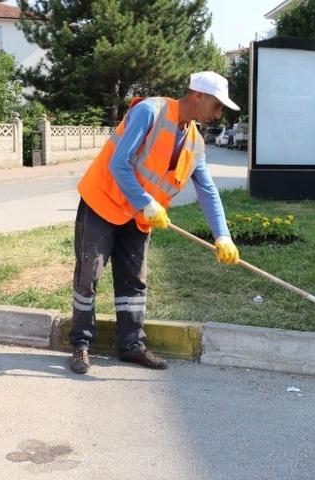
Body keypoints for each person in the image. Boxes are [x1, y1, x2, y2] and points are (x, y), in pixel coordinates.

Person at [69, 71, 241, 374]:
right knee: (88, 276)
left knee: (134, 282)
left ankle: (131, 346)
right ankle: (81, 345)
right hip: (102, 203)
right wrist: (146, 203)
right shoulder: (149, 111)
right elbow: (118, 163)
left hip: (137, 217)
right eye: (217, 105)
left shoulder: (195, 143)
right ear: (198, 95)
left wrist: (223, 236)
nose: (219, 113)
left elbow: (208, 190)